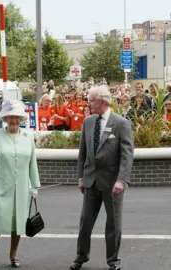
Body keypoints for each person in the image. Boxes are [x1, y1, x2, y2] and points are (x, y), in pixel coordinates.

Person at [70, 85, 134, 270]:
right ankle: (80, 257)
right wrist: (80, 177)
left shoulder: (121, 123)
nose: (88, 103)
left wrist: (121, 180)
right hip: (90, 181)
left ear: (103, 102)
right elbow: (82, 152)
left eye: (91, 100)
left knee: (113, 223)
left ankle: (113, 261)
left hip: (112, 182)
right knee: (85, 222)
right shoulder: (88, 122)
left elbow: (127, 155)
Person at [0, 100, 40, 269]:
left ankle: (13, 253)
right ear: (5, 118)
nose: (13, 120)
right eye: (10, 117)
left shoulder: (28, 136)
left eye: (16, 117)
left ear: (21, 118)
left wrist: (34, 184)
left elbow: (32, 162)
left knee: (18, 223)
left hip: (21, 186)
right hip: (1, 185)